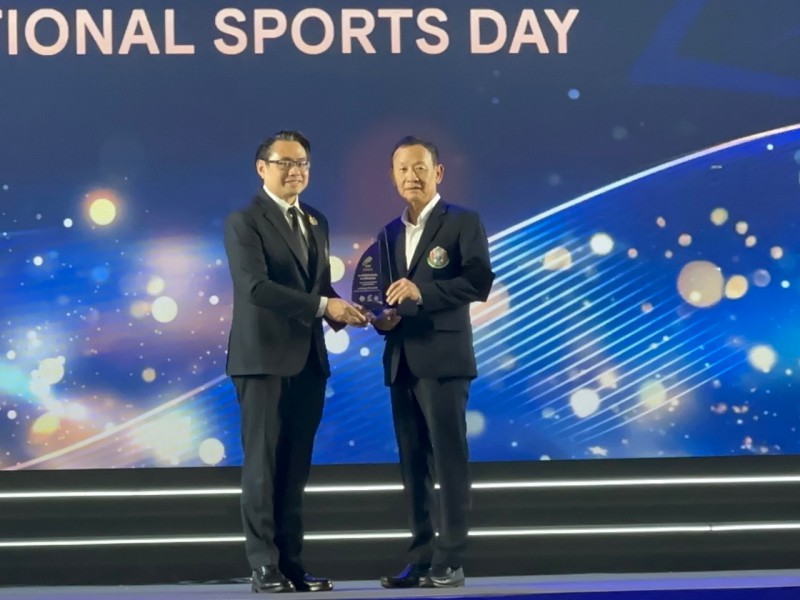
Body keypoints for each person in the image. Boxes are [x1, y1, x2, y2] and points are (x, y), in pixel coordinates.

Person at [224, 130, 366, 593]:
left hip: (308, 360)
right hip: (262, 360)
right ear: (261, 168)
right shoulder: (245, 221)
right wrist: (325, 306)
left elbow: (318, 287)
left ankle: (292, 564)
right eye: (284, 162)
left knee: (294, 467)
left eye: (302, 162)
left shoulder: (316, 220)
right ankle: (263, 565)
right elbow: (256, 288)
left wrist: (355, 312)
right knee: (262, 466)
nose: (295, 170)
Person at [373, 136, 495, 588]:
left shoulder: (463, 221)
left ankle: (451, 557)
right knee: (413, 466)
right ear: (393, 176)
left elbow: (479, 282)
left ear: (438, 172)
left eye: (420, 167)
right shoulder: (387, 233)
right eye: (403, 169)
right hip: (401, 360)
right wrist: (382, 319)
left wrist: (423, 292)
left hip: (444, 360)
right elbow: (385, 296)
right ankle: (421, 557)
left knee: (448, 461)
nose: (412, 176)